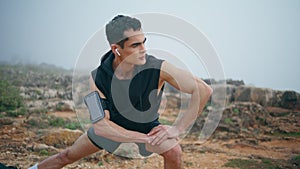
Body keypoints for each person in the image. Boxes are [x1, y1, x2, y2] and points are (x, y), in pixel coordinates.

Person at [29, 14, 212, 169]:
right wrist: (143, 139)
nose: (144, 49)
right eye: (135, 45)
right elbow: (101, 126)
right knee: (65, 156)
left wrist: (177, 128)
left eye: (143, 42)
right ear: (116, 49)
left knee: (173, 151)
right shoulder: (96, 78)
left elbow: (203, 90)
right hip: (112, 131)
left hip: (147, 129)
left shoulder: (159, 68)